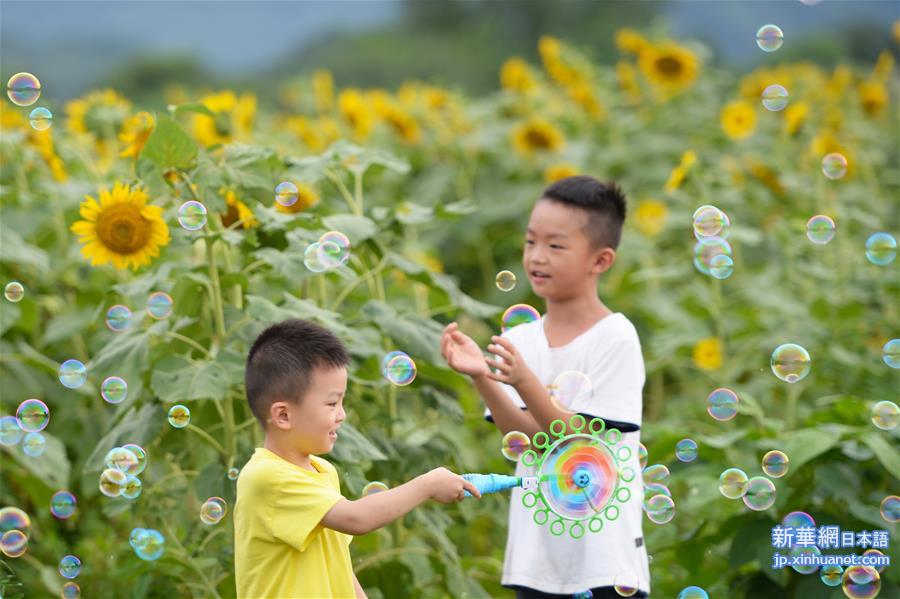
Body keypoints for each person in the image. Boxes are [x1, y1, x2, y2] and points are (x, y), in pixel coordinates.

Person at [441, 176, 650, 598]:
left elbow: (579, 444)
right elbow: (526, 440)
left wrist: (525, 381)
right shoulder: (522, 340)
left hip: (604, 559)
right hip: (537, 557)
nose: (537, 257)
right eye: (530, 242)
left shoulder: (616, 337)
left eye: (555, 246)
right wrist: (482, 375)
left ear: (601, 260)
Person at [234, 319, 481, 599]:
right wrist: (428, 484)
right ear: (283, 415)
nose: (342, 415)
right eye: (331, 403)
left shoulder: (321, 470)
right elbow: (356, 518)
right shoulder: (266, 477)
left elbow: (338, 563)